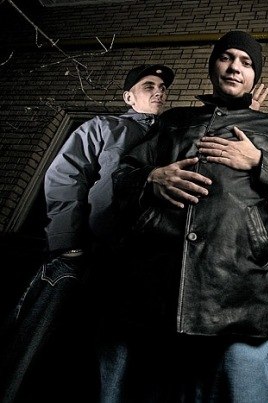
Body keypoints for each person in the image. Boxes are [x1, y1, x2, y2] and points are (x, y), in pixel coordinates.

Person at [111, 30, 268, 402]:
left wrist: (258, 161)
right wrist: (151, 178)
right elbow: (121, 176)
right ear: (213, 66)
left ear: (255, 76)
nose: (235, 67)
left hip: (237, 286)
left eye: (246, 62)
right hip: (159, 281)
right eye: (226, 57)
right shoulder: (174, 120)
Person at [0, 64, 175, 403]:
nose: (159, 91)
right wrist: (69, 243)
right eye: (149, 86)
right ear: (128, 97)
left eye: (163, 88)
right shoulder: (104, 127)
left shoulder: (170, 136)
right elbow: (65, 175)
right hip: (83, 257)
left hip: (136, 267)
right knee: (39, 349)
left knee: (107, 362)